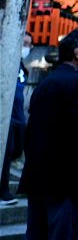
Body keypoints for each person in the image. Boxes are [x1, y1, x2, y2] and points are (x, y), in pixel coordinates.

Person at [19, 29, 78, 240]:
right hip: (63, 179)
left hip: (36, 173)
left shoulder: (44, 83)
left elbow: (32, 130)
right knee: (61, 232)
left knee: (36, 232)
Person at [0, 33, 30, 205]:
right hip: (8, 115)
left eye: (29, 44)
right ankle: (3, 190)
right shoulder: (7, 59)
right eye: (24, 43)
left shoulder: (21, 66)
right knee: (8, 150)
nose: (27, 47)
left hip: (19, 116)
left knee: (17, 150)